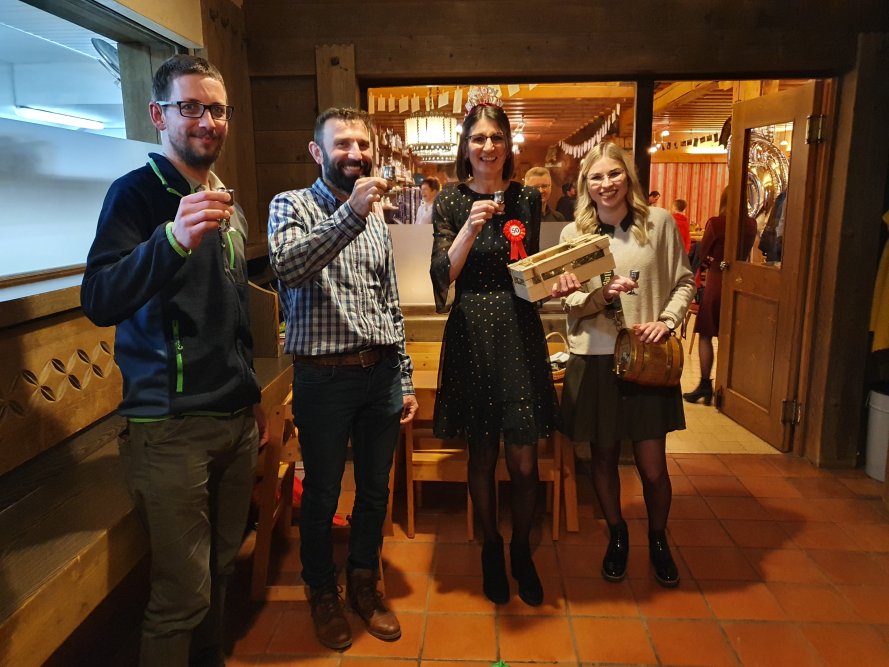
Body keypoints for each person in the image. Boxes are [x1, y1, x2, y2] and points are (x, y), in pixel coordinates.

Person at [80, 54, 266, 666]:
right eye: (190, 107)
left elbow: (234, 310)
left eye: (217, 109)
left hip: (234, 418)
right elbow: (99, 298)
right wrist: (172, 240)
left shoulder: (225, 200)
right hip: (169, 427)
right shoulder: (134, 194)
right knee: (182, 595)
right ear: (159, 115)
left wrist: (251, 398)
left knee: (222, 567)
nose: (207, 121)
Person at [268, 107, 418, 651]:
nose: (356, 154)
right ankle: (320, 589)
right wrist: (352, 212)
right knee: (323, 491)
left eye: (362, 144)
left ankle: (362, 581)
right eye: (342, 144)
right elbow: (289, 267)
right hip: (322, 378)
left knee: (376, 489)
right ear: (317, 152)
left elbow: (389, 302)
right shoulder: (291, 204)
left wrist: (404, 376)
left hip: (380, 374)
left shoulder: (375, 216)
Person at [430, 102, 578, 607]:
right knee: (481, 453)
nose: (488, 147)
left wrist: (555, 285)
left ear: (507, 145)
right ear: (466, 147)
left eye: (496, 137)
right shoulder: (450, 201)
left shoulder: (527, 199)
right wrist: (470, 228)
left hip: (518, 331)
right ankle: (491, 548)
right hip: (471, 330)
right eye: (478, 138)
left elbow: (527, 275)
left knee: (524, 459)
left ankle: (521, 551)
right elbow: (442, 276)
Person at [559, 143, 694, 588]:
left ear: (628, 177)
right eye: (596, 177)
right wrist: (601, 294)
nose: (606, 184)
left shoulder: (659, 224)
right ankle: (617, 535)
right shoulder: (574, 236)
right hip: (595, 358)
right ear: (585, 185)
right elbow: (571, 304)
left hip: (646, 357)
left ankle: (658, 538)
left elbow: (684, 281)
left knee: (652, 465)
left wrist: (667, 321)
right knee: (601, 457)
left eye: (614, 174)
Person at [683, 188, 757, 405]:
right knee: (729, 335)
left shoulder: (716, 223)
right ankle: (729, 386)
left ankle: (705, 385)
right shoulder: (751, 224)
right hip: (739, 283)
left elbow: (702, 253)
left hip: (717, 281)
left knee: (706, 333)